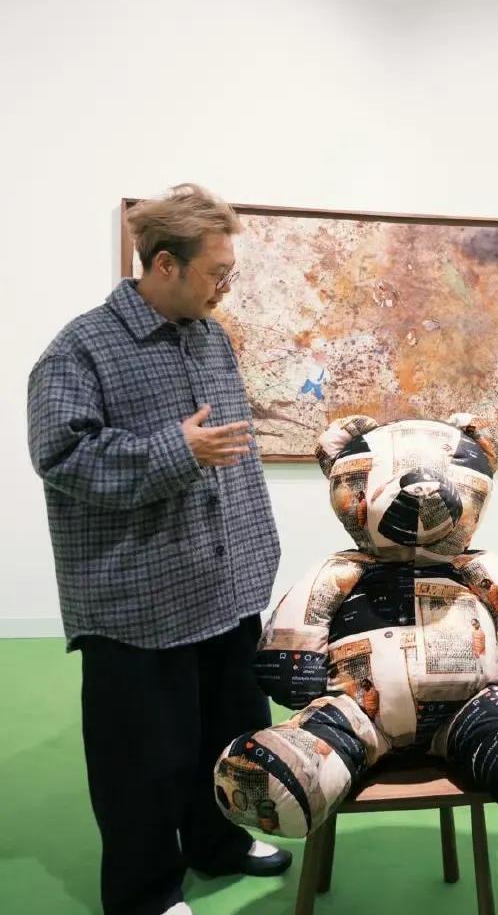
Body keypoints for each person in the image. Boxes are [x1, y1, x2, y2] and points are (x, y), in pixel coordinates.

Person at [27, 184, 289, 915]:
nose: (225, 286)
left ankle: (219, 843)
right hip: (136, 601)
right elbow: (61, 457)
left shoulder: (210, 336)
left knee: (230, 733)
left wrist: (257, 548)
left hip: (223, 585)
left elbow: (230, 454)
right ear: (165, 263)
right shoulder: (79, 349)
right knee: (141, 761)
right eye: (216, 272)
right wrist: (177, 451)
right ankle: (143, 893)